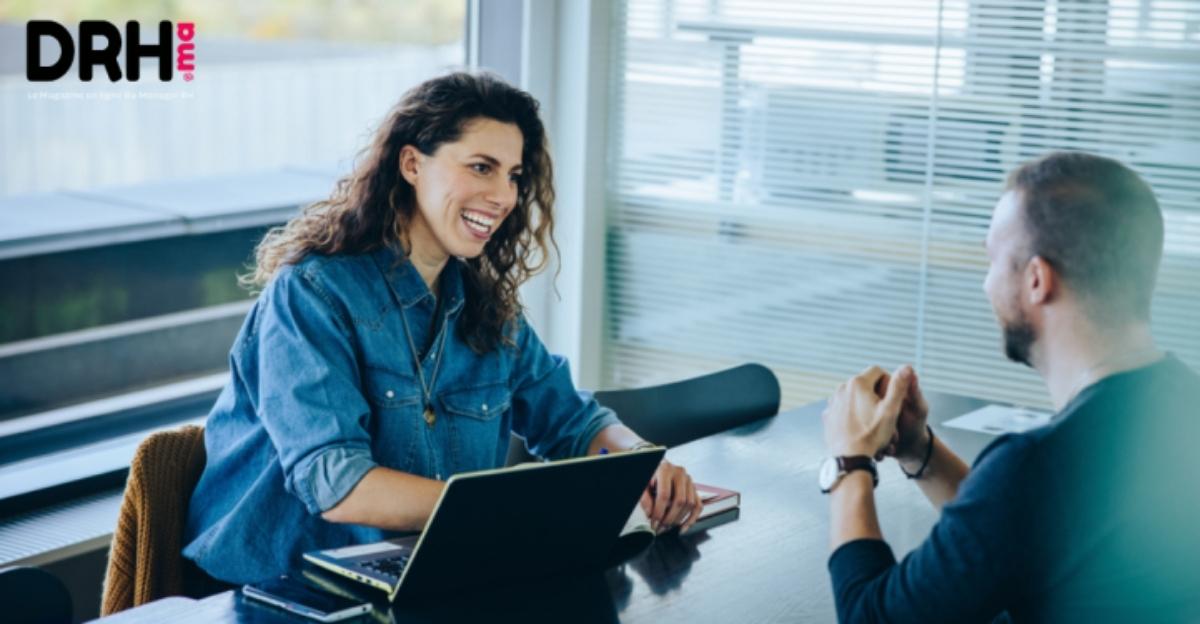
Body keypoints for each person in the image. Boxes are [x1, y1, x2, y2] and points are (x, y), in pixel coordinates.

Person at [183, 72, 701, 585]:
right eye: (481, 167)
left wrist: (640, 463)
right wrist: (504, 511)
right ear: (412, 164)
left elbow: (573, 422)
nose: (504, 196)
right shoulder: (312, 294)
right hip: (271, 588)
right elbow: (336, 482)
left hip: (421, 570)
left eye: (514, 176)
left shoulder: (487, 307)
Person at [818, 152, 1200, 622]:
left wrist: (848, 461)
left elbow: (869, 617)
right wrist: (919, 450)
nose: (985, 285)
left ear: (1037, 280)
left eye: (992, 259)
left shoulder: (1041, 464)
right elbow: (1021, 527)